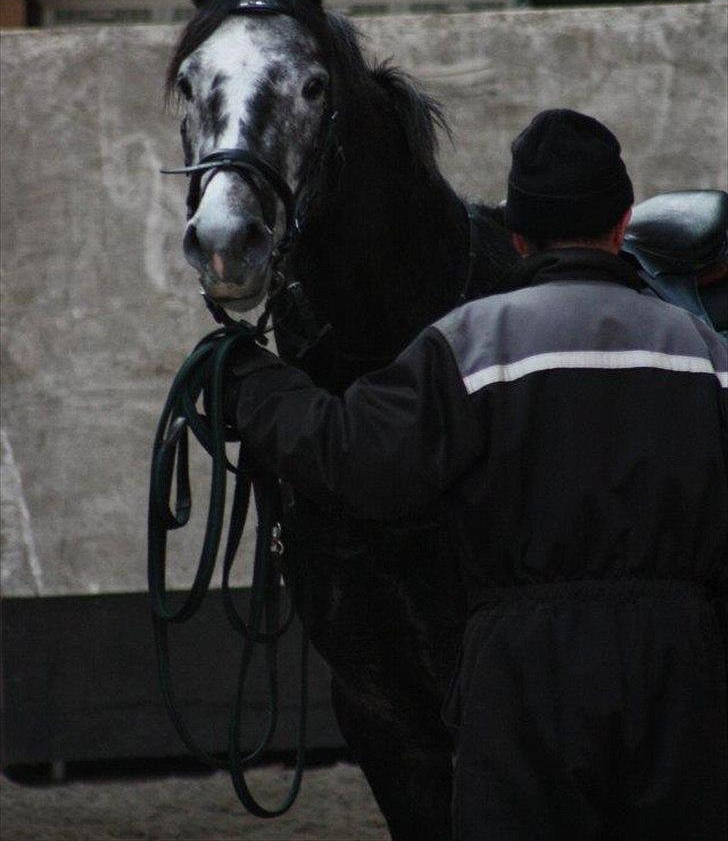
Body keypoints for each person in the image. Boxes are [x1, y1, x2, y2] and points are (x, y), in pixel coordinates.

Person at [231, 109, 727, 839]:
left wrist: (253, 383)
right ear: (625, 224)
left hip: (525, 672)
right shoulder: (701, 347)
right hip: (677, 667)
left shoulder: (468, 344)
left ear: (519, 236)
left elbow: (352, 458)